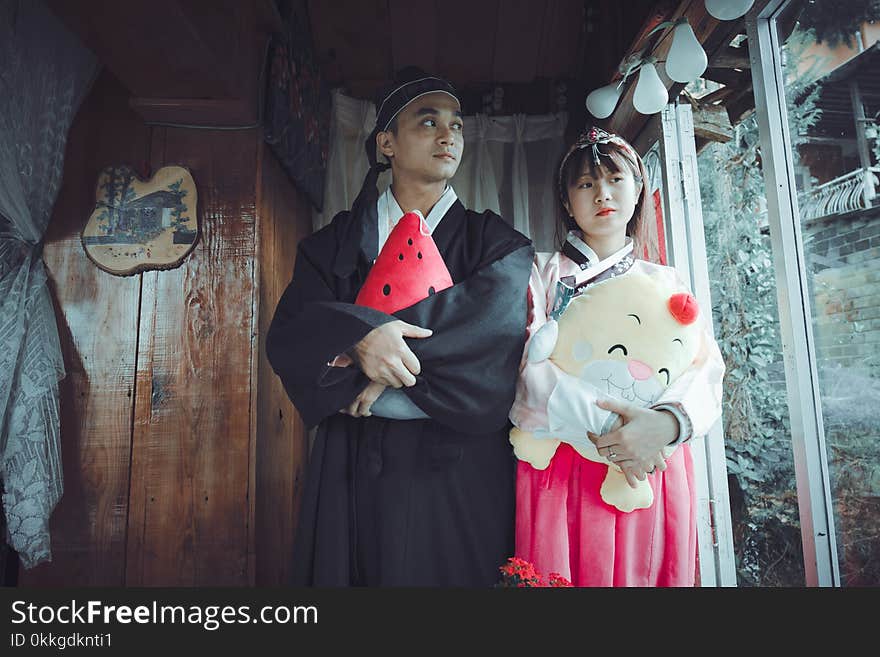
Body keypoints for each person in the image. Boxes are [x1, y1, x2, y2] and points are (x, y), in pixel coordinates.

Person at [266, 68, 534, 586]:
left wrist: (375, 353)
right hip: (356, 461)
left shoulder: (496, 242)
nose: (448, 134)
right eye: (428, 121)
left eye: (456, 124)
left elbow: (494, 333)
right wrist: (362, 336)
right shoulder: (336, 243)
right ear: (386, 142)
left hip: (460, 466)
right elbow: (295, 329)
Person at [508, 126, 725, 586]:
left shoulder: (667, 281)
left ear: (638, 187)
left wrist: (664, 423)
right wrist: (609, 429)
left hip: (648, 458)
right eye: (585, 184)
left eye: (615, 180)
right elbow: (529, 366)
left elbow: (704, 367)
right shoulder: (539, 275)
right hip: (563, 452)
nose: (602, 193)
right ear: (567, 202)